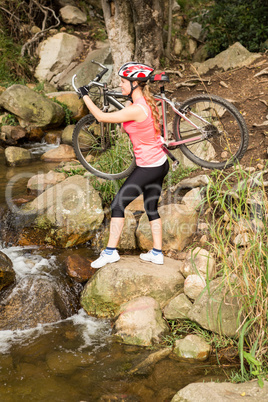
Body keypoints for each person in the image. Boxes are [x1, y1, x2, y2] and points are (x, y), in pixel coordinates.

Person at [78, 62, 169, 269]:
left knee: (117, 205)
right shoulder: (143, 102)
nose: (120, 85)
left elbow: (101, 117)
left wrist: (85, 96)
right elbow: (125, 120)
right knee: (151, 208)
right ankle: (157, 253)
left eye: (123, 82)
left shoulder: (137, 108)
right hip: (160, 163)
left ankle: (110, 252)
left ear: (135, 83)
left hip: (148, 167)